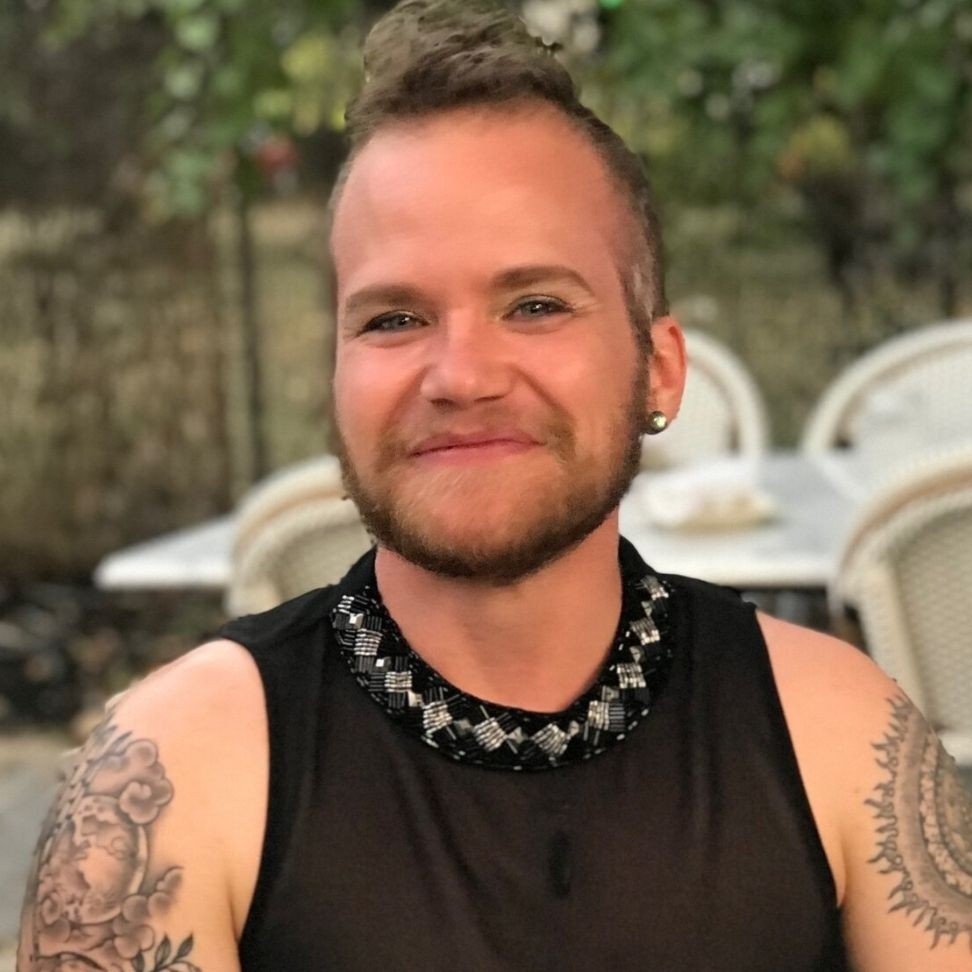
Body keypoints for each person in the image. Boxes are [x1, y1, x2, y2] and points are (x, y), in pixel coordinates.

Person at [19, 2, 972, 970]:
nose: (462, 375)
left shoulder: (839, 733)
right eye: (393, 319)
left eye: (536, 304)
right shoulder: (171, 779)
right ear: (336, 379)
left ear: (659, 370)